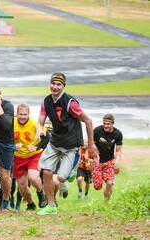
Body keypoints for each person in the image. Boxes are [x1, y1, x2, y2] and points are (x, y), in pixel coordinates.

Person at [35, 72, 98, 215]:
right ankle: (51, 206)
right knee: (46, 171)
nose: (55, 87)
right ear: (49, 84)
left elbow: (88, 121)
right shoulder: (46, 101)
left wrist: (91, 144)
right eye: (53, 83)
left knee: (62, 177)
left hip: (71, 144)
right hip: (55, 141)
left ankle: (73, 167)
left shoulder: (70, 103)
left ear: (63, 86)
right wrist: (40, 130)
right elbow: (40, 121)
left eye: (58, 84)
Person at [13, 103, 46, 210]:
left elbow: (47, 137)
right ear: (16, 114)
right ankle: (30, 204)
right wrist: (13, 146)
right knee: (22, 186)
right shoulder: (11, 123)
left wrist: (36, 147)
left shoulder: (35, 123)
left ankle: (41, 194)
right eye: (20, 114)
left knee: (33, 177)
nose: (22, 117)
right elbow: (3, 139)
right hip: (18, 157)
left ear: (29, 114)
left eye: (25, 114)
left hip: (34, 156)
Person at [92, 113, 123, 202]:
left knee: (110, 183)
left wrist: (117, 161)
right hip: (97, 162)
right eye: (104, 123)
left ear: (113, 123)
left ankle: (106, 202)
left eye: (108, 124)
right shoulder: (97, 130)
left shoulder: (118, 134)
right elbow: (91, 143)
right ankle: (101, 184)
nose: (106, 126)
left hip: (109, 161)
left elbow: (118, 150)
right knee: (97, 187)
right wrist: (95, 154)